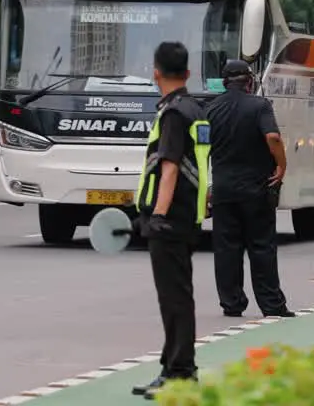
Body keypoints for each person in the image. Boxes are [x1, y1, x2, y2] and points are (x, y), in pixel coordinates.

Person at [130, 41, 211, 399]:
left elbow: (170, 168)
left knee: (175, 298)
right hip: (187, 216)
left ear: (156, 72)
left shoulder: (174, 114)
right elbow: (205, 166)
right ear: (188, 74)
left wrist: (158, 215)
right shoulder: (196, 109)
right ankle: (172, 367)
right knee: (176, 296)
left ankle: (180, 372)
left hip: (171, 220)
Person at [206, 58, 294, 319]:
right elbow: (273, 137)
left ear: (224, 81)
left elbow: (200, 149)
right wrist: (281, 165)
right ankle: (272, 305)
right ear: (249, 81)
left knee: (226, 249)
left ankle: (232, 303)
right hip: (256, 190)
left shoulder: (210, 109)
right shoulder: (259, 105)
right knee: (261, 247)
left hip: (223, 190)